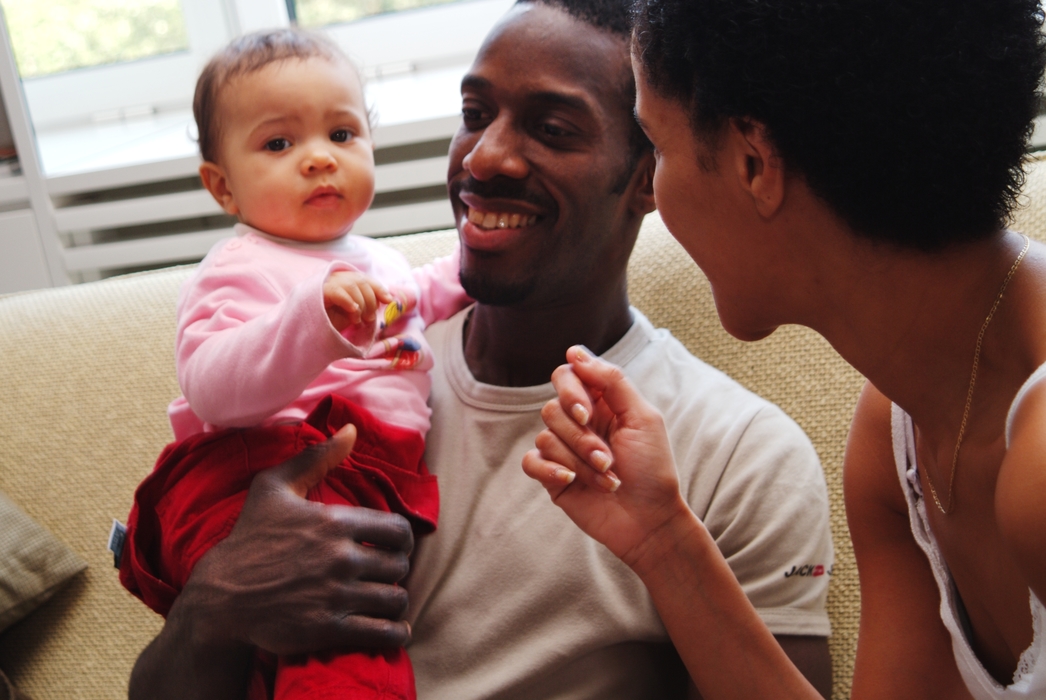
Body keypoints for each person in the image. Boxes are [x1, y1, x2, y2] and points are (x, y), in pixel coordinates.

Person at [128, 2, 835, 698]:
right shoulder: (354, 361)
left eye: (552, 130)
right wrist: (216, 607)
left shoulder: (743, 455)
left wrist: (667, 553)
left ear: (648, 176)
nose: (485, 155)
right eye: (473, 116)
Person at [525, 1, 1046, 698]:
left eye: (658, 145)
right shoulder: (898, 432)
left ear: (752, 162)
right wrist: (663, 540)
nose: (652, 190)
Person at [119, 29, 468, 700]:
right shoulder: (239, 267)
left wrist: (475, 266)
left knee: (281, 659)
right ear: (222, 187)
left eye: (342, 135)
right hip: (258, 467)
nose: (318, 159)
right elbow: (213, 386)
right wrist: (312, 319)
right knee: (344, 649)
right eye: (279, 144)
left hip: (363, 471)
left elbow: (415, 301)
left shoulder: (378, 262)